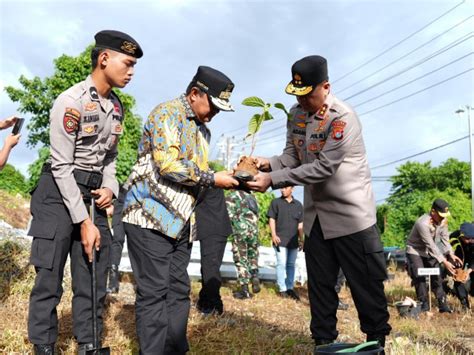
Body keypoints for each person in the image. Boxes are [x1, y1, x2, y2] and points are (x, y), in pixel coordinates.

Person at [247, 55, 391, 348]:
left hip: (351, 218)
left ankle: (376, 343)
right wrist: (265, 164)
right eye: (298, 95)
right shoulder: (296, 113)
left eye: (308, 95)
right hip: (316, 220)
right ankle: (323, 344)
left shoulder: (342, 118)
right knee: (320, 287)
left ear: (326, 86)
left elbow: (324, 167)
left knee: (365, 286)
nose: (303, 103)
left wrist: (273, 180)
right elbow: (291, 157)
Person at [27, 30, 143, 355]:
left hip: (93, 194)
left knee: (92, 274)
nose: (131, 72)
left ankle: (89, 343)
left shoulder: (117, 108)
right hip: (57, 193)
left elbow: (110, 158)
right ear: (104, 59)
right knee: (49, 280)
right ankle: (44, 346)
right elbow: (61, 166)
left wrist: (110, 186)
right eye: (128, 63)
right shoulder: (71, 101)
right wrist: (83, 221)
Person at [122, 66, 238, 354]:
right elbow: (169, 165)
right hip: (150, 216)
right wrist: (213, 178)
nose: (215, 113)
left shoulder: (203, 131)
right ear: (195, 93)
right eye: (213, 105)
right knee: (154, 292)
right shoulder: (167, 114)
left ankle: (175, 348)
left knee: (177, 290)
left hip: (181, 222)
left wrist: (231, 176)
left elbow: (196, 172)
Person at [406, 198, 461, 313]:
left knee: (437, 275)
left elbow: (444, 239)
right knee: (419, 275)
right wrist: (444, 261)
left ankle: (442, 303)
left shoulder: (443, 221)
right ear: (433, 212)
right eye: (441, 215)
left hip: (431, 251)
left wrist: (451, 254)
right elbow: (430, 244)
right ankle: (424, 304)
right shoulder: (422, 223)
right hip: (416, 251)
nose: (443, 218)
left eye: (444, 215)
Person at [195, 187, 233, 315]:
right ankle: (205, 301)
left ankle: (213, 305)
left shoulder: (207, 181)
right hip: (213, 229)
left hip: (214, 228)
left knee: (210, 268)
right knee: (209, 267)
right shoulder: (209, 179)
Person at [267, 186, 303, 300]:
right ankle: (282, 289)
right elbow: (272, 219)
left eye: (285, 188)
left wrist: (301, 239)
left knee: (291, 265)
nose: (282, 190)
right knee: (281, 263)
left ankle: (289, 288)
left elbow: (300, 224)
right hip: (280, 239)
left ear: (292, 189)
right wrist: (273, 235)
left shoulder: (298, 205)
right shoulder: (276, 202)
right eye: (281, 188)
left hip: (293, 241)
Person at [226, 190, 260, 299]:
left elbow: (228, 215)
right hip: (253, 231)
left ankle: (244, 290)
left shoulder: (232, 196)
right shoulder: (252, 196)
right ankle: (254, 275)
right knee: (252, 255)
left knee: (241, 259)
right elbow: (257, 213)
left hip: (240, 231)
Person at [105, 185, 127, 294]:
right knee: (117, 239)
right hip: (122, 197)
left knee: (138, 242)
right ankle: (113, 283)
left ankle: (144, 283)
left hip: (138, 200)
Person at [447, 222, 473, 310]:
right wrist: (456, 259)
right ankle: (465, 305)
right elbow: (453, 247)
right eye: (468, 239)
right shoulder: (454, 236)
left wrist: (468, 271)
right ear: (461, 236)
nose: (471, 240)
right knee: (458, 279)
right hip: (461, 258)